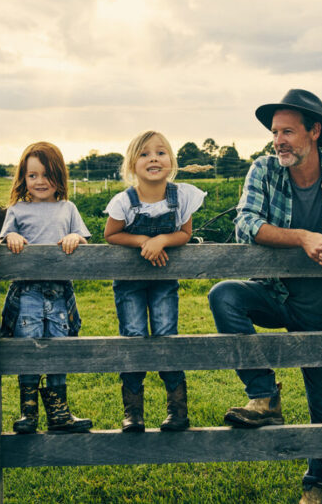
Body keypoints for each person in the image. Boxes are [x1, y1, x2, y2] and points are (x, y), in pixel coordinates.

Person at [208, 89, 322, 504]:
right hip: (276, 293)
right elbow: (246, 224)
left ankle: (316, 484)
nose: (279, 141)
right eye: (275, 132)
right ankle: (264, 394)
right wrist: (302, 238)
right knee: (225, 296)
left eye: (288, 131)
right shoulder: (263, 170)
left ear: (314, 131)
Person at [104, 130, 206, 432]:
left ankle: (177, 410)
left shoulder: (182, 197)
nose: (154, 158)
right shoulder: (124, 201)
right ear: (132, 164)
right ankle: (133, 411)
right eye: (145, 154)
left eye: (161, 153)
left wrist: (162, 239)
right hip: (130, 282)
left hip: (164, 280)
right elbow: (111, 235)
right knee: (133, 335)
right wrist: (141, 242)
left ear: (171, 161)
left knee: (166, 335)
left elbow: (185, 234)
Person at [0, 141, 93, 434]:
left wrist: (75, 239)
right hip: (27, 292)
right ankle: (28, 413)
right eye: (32, 175)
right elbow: (5, 240)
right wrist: (12, 236)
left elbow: (83, 238)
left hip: (59, 294)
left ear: (59, 176)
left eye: (47, 174)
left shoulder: (68, 208)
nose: (40, 181)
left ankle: (59, 412)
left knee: (59, 347)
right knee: (28, 348)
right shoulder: (16, 210)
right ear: (23, 179)